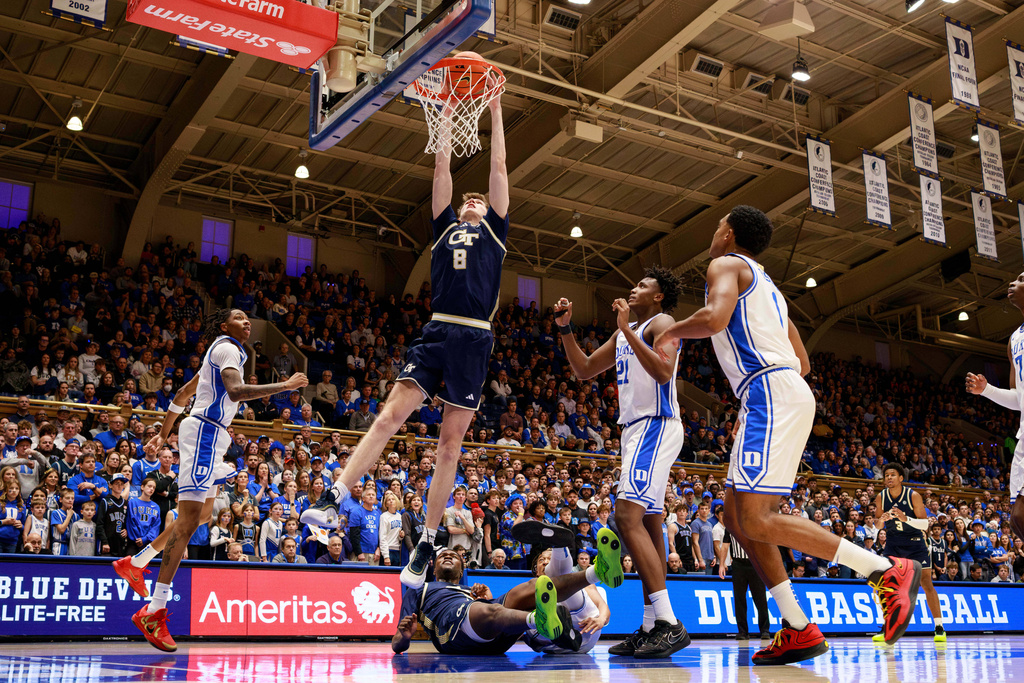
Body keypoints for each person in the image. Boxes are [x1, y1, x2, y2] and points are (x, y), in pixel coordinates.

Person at [653, 205, 920, 664]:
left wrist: (670, 333)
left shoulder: (725, 265)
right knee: (737, 518)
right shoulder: (769, 290)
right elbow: (804, 361)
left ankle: (882, 569)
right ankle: (797, 625)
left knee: (754, 518)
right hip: (773, 391)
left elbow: (715, 319)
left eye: (717, 227)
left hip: (769, 393)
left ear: (729, 233)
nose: (713, 235)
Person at [303, 80, 510, 592]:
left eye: (479, 200)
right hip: (438, 330)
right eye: (469, 200)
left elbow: (499, 169)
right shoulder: (443, 229)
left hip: (474, 338)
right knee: (389, 416)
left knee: (448, 446)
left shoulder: (495, 233)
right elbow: (440, 167)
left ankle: (428, 540)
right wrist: (442, 110)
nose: (473, 200)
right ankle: (334, 496)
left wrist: (497, 106)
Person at [112, 308, 308, 651]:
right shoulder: (229, 348)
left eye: (249, 319)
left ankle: (137, 562)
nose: (247, 321)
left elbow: (182, 394)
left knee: (202, 516)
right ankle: (154, 610)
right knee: (187, 523)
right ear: (224, 326)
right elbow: (235, 392)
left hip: (211, 436)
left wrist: (163, 433)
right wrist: (286, 386)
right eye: (239, 317)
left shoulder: (216, 353)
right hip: (205, 433)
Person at [553, 265, 689, 658]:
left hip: (656, 424)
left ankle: (667, 622)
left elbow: (664, 372)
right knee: (649, 521)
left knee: (627, 516)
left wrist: (628, 328)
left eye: (643, 285)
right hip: (635, 429)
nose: (634, 288)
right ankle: (650, 626)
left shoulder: (662, 321)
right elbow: (583, 370)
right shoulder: (625, 332)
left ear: (659, 295)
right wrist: (566, 329)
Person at [393, 525, 620, 658]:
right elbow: (397, 645)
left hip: (492, 634)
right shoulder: (420, 588)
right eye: (443, 555)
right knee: (488, 611)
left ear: (463, 569)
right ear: (432, 566)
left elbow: (495, 611)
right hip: (451, 635)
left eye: (454, 555)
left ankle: (597, 572)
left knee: (533, 586)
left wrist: (486, 598)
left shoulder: (468, 590)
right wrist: (404, 636)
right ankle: (539, 620)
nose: (449, 556)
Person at [967, 285, 1024, 555]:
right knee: (1017, 518)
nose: (1013, 284)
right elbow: (1017, 398)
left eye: (1021, 278)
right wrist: (986, 390)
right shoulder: (1014, 339)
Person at [516, 520, 618, 655]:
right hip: (549, 642)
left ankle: (560, 545)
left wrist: (601, 620)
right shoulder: (526, 589)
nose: (546, 561)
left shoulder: (577, 580)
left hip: (584, 632)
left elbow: (602, 606)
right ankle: (594, 570)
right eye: (541, 560)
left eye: (550, 559)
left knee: (561, 582)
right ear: (535, 570)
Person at [871, 463, 945, 643]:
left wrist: (906, 518)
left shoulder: (913, 495)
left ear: (901, 478)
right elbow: (877, 525)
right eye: (886, 475)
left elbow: (925, 524)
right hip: (893, 545)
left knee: (926, 583)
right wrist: (881, 520)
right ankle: (887, 627)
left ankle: (939, 627)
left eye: (892, 475)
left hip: (914, 544)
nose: (888, 477)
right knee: (887, 586)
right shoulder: (881, 497)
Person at [717, 507, 770, 640]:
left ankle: (764, 630)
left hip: (755, 564)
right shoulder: (731, 527)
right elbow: (725, 546)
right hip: (738, 565)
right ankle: (742, 632)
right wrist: (722, 564)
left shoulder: (755, 525)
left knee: (760, 599)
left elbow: (764, 545)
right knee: (739, 599)